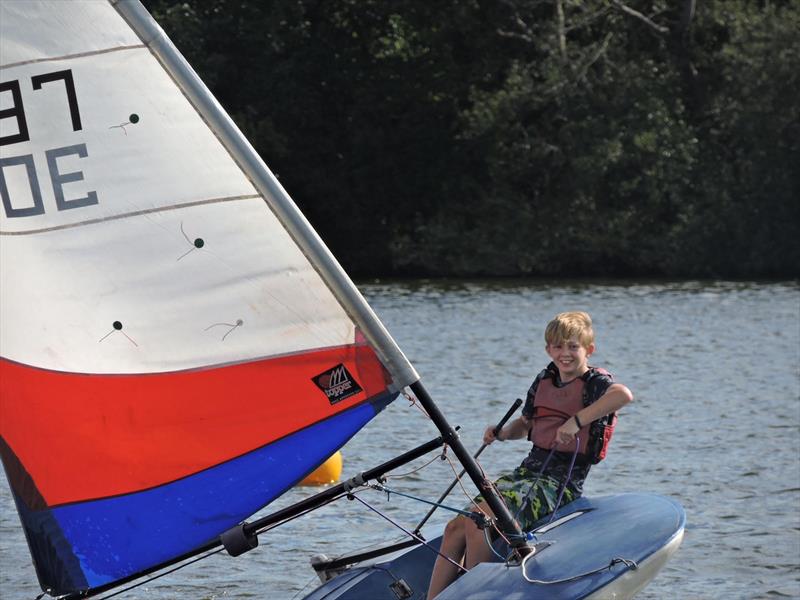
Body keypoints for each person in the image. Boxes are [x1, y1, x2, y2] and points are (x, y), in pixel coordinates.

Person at [426, 311, 633, 599]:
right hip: (527, 473)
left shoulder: (595, 381)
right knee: (456, 527)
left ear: (589, 349)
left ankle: (477, 595)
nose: (565, 354)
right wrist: (501, 433)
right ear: (548, 349)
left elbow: (622, 395)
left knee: (480, 522)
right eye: (558, 347)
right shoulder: (544, 379)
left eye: (573, 346)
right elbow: (525, 425)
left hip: (559, 484)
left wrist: (576, 421)